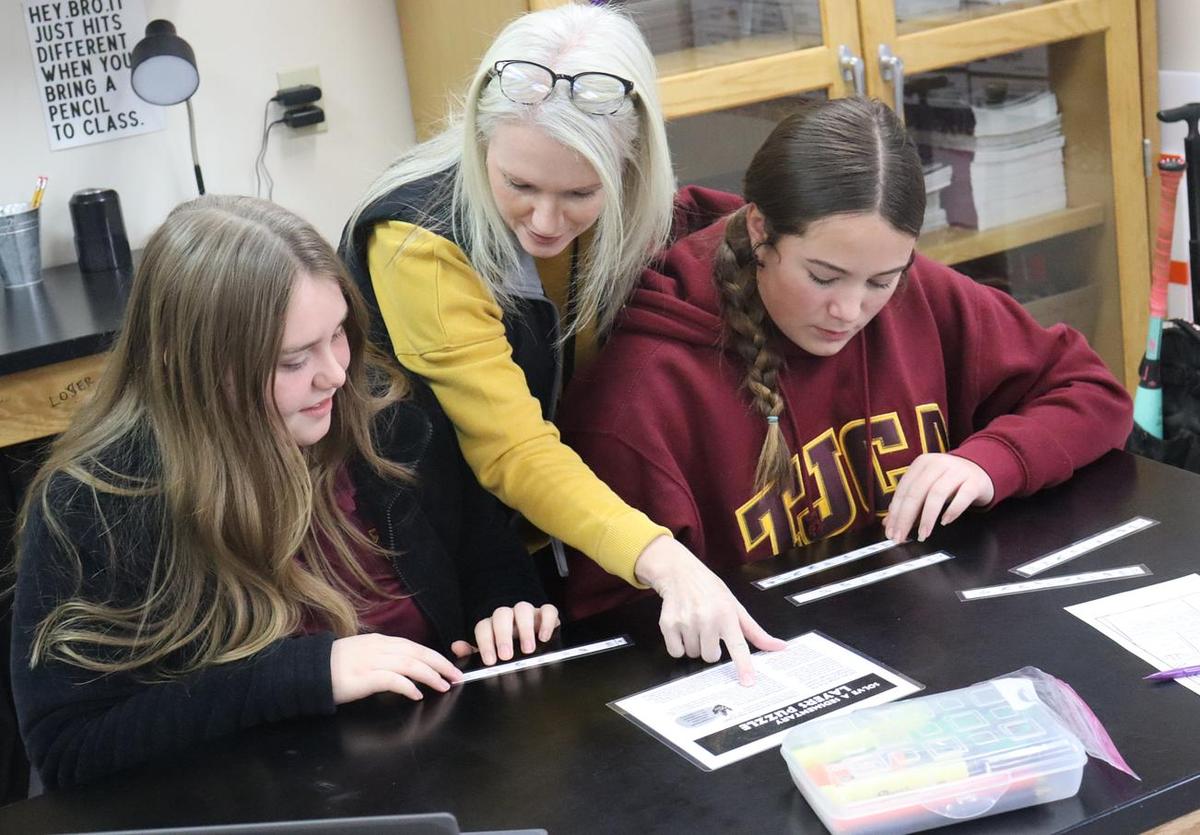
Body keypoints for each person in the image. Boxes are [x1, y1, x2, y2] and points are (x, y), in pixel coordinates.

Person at [10, 196, 558, 790]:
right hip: (259, 798)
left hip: (444, 762)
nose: (336, 374)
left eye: (338, 334)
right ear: (186, 365)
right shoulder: (96, 502)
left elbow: (486, 555)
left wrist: (506, 609)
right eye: (293, 360)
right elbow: (69, 751)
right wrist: (302, 675)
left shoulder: (387, 412)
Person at [557, 97, 1134, 618]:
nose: (851, 311)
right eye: (823, 276)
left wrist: (989, 462)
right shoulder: (642, 390)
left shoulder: (920, 293)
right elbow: (617, 626)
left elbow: (1090, 391)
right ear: (759, 229)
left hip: (921, 631)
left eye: (882, 281)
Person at [342, 3, 784, 682]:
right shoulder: (417, 242)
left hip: (575, 528)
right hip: (452, 541)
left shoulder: (640, 211)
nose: (546, 221)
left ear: (630, 166)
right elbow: (510, 448)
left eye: (580, 192)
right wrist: (663, 559)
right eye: (518, 185)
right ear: (479, 145)